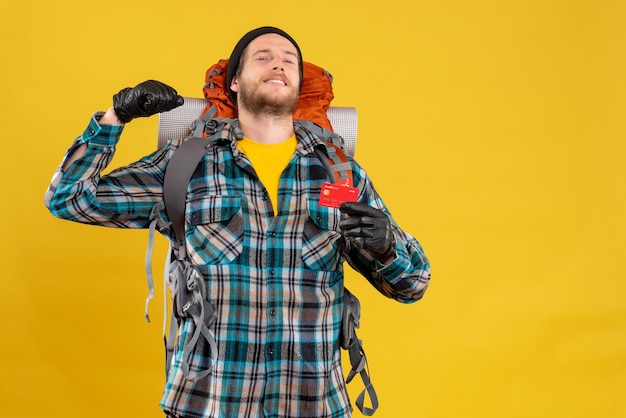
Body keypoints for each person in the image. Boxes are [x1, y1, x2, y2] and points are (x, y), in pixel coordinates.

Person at [44, 26, 431, 418]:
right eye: (262, 56)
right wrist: (116, 117)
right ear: (234, 82)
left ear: (298, 84)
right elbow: (69, 199)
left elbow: (412, 285)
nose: (278, 62)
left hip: (315, 405)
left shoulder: (338, 174)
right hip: (208, 404)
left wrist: (388, 245)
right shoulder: (185, 165)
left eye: (289, 59)